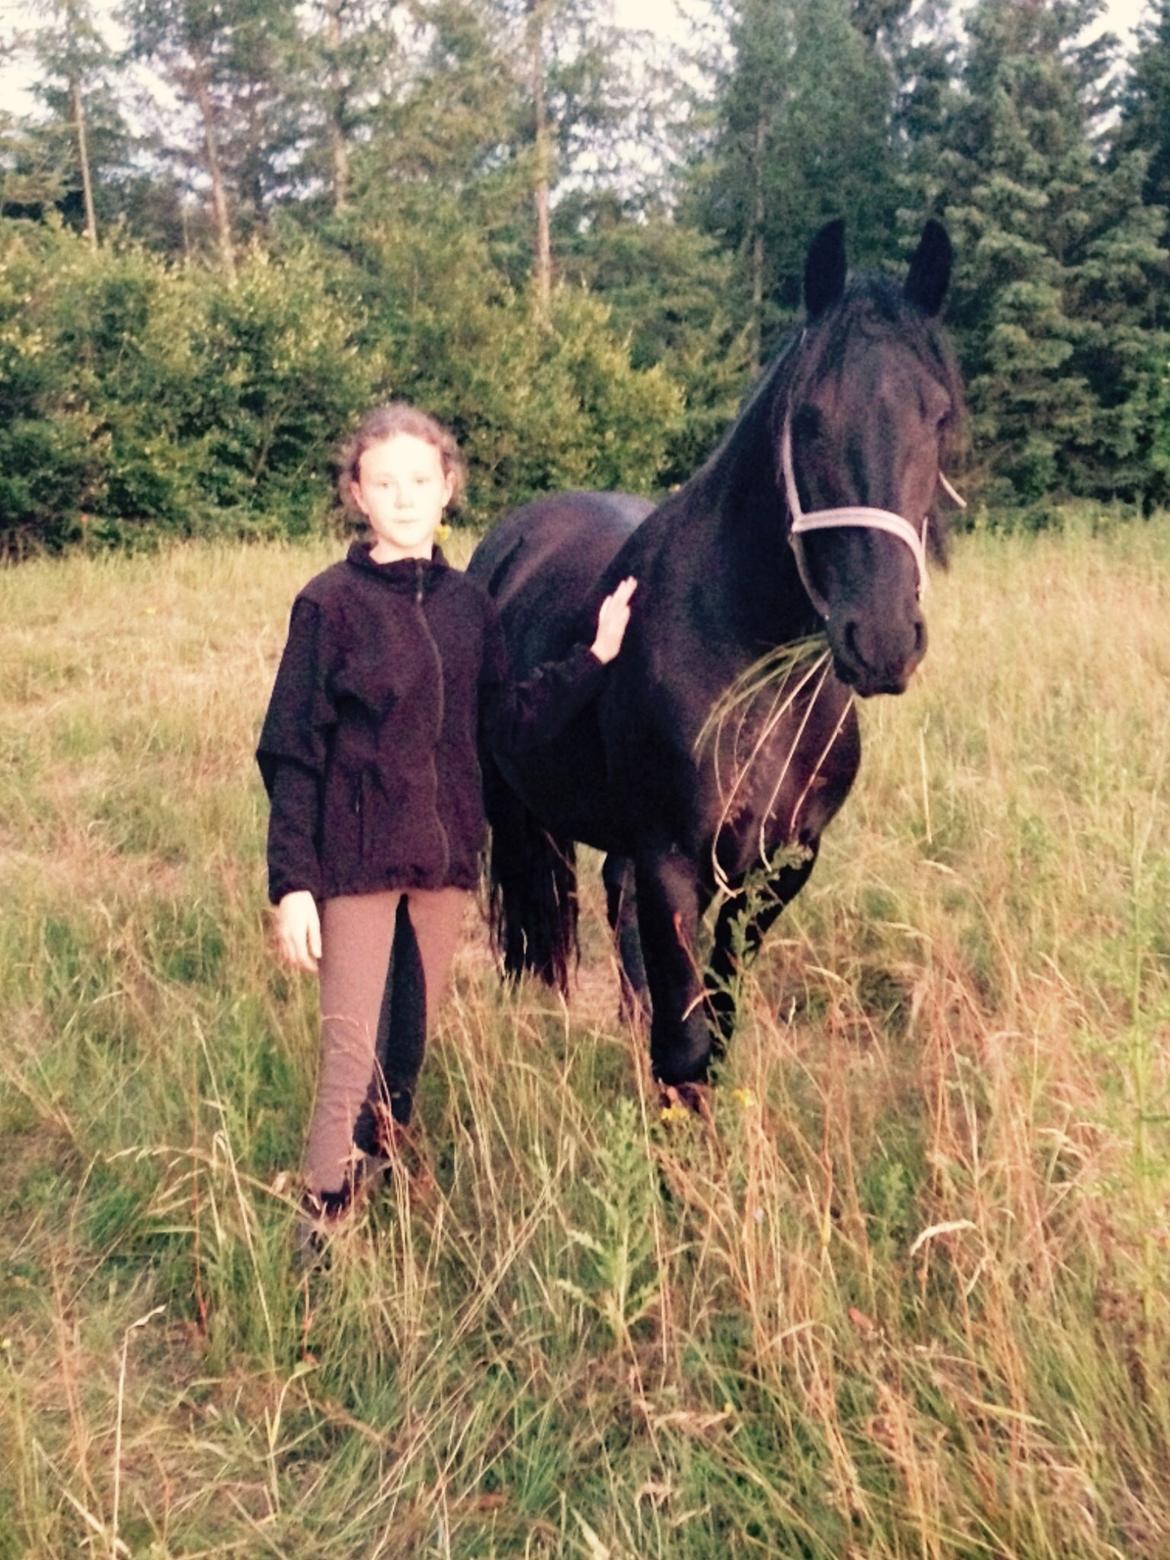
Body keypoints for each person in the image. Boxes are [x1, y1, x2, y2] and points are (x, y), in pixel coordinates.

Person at [256, 403, 636, 1238]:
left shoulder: (471, 608)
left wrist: (596, 659)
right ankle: (321, 1221)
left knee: (407, 1048)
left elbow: (508, 721)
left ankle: (379, 1176)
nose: (403, 497)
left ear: (448, 489)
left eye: (420, 481)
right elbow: (291, 752)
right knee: (349, 1051)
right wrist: (293, 887)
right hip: (353, 862)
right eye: (384, 481)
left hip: (441, 865)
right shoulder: (329, 605)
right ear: (356, 492)